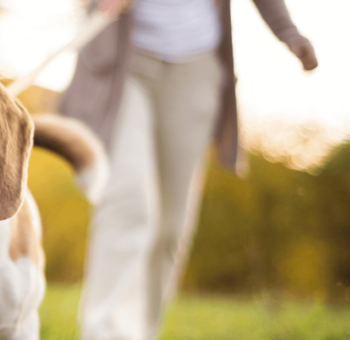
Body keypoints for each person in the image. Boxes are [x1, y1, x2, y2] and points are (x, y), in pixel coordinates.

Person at [59, 0, 318, 339]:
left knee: (171, 225)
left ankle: (140, 332)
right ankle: (105, 332)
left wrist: (288, 32)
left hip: (196, 67)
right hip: (124, 58)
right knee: (129, 199)